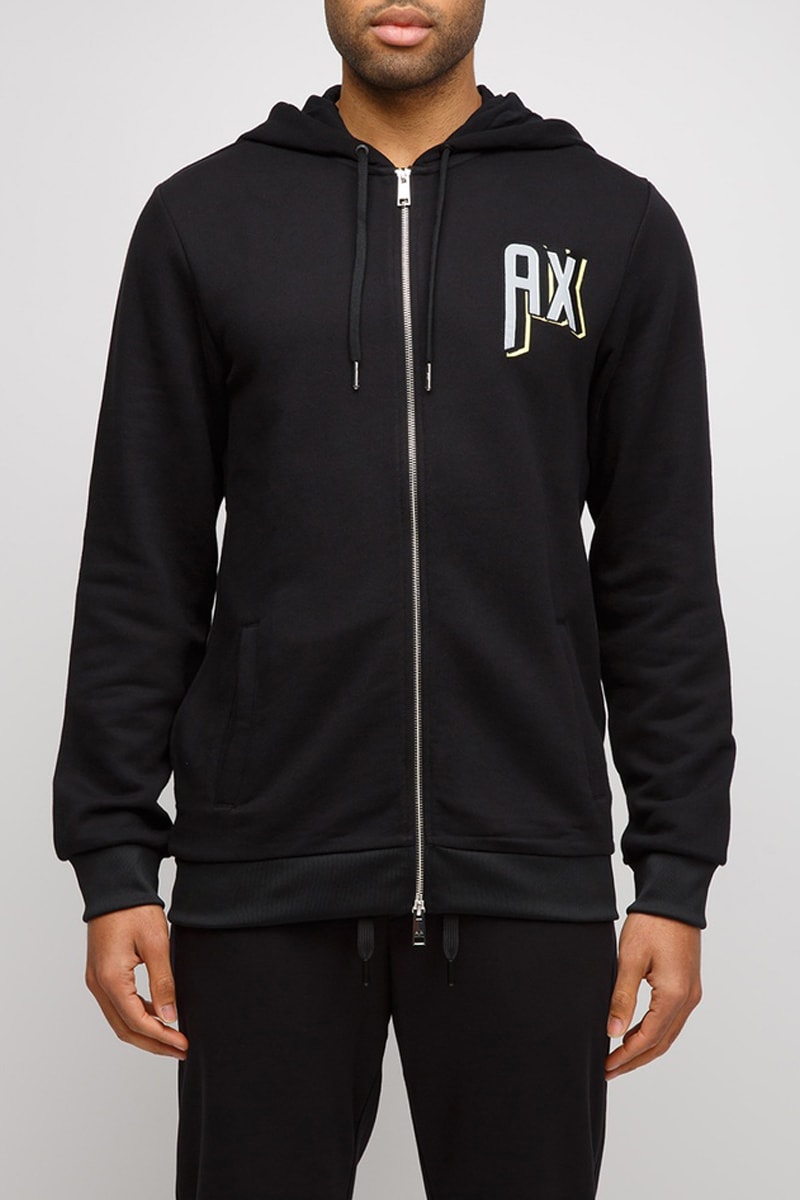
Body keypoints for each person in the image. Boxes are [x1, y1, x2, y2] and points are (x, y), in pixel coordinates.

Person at [51, 2, 736, 1196]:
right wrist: (113, 859)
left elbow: (659, 575)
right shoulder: (204, 219)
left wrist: (673, 878)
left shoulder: (609, 222)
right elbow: (138, 564)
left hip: (525, 870)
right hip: (263, 874)